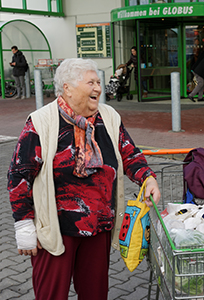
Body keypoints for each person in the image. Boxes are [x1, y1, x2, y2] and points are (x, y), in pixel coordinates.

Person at [8, 58, 160, 300]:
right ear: (67, 87)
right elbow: (19, 174)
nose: (98, 88)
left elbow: (129, 153)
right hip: (57, 228)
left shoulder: (108, 116)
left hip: (98, 226)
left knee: (94, 294)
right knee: (51, 295)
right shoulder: (41, 121)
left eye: (99, 82)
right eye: (91, 82)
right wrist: (23, 224)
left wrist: (147, 178)